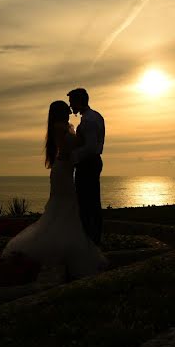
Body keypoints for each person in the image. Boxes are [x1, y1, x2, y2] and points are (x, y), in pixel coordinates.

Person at [1, 100, 106, 279]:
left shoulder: (64, 126)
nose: (69, 113)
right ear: (59, 112)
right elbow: (67, 146)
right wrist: (82, 138)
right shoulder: (59, 127)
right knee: (64, 204)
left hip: (65, 170)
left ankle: (67, 243)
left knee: (67, 206)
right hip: (62, 172)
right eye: (66, 110)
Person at [67, 87, 105, 245]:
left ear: (78, 102)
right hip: (93, 162)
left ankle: (90, 237)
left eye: (72, 103)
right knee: (93, 200)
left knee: (86, 201)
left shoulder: (88, 121)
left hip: (87, 163)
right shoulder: (96, 116)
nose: (71, 107)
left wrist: (72, 157)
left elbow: (90, 147)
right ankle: (94, 235)